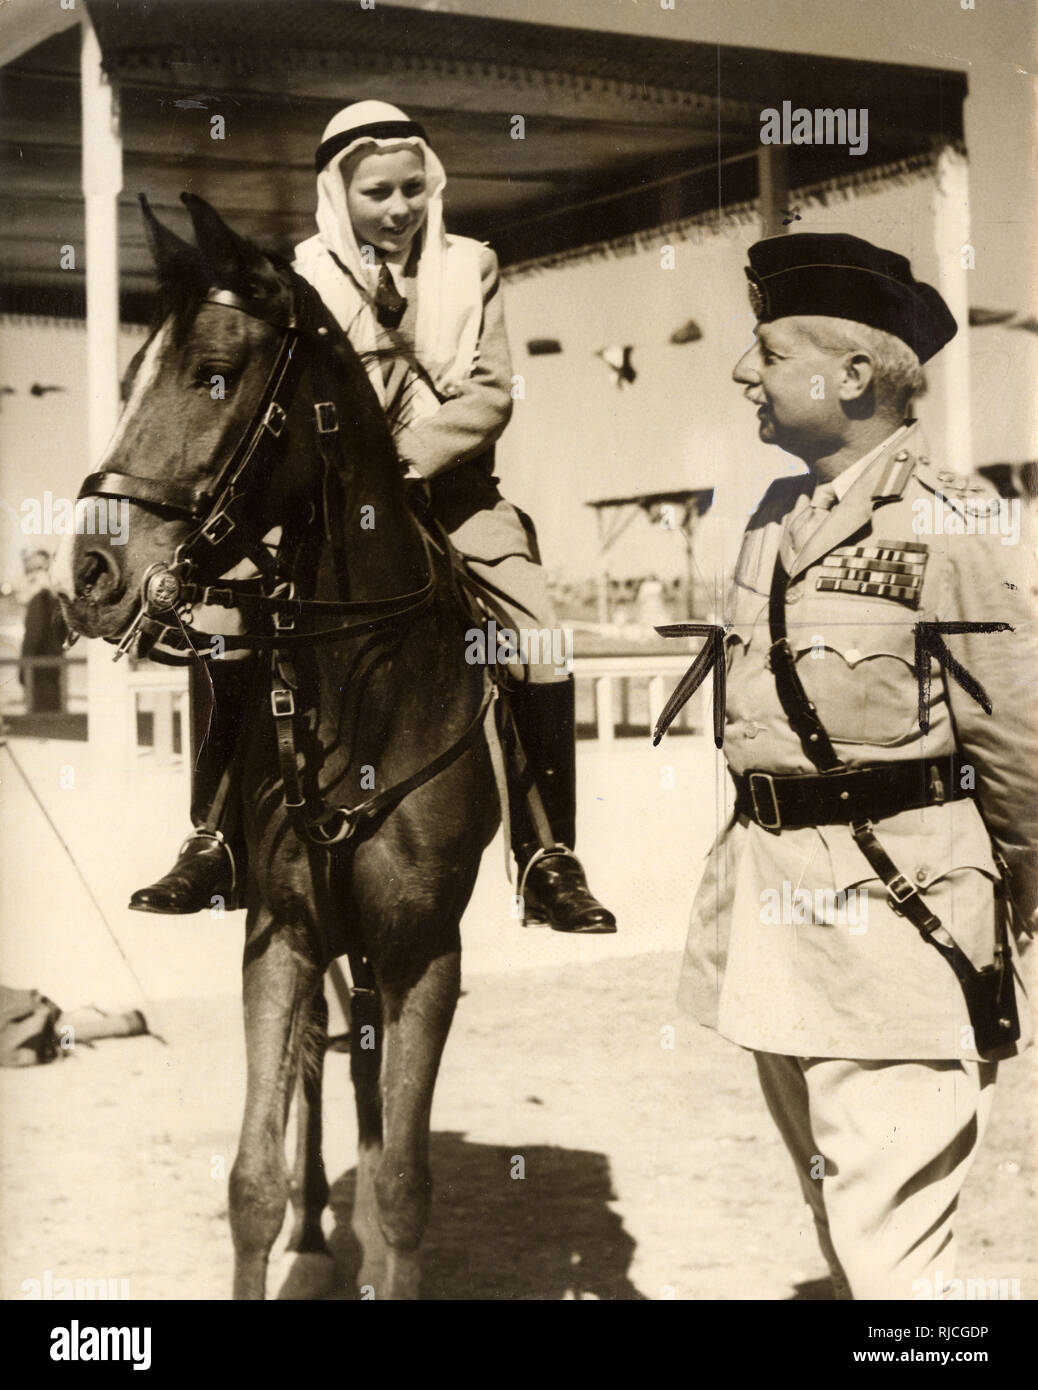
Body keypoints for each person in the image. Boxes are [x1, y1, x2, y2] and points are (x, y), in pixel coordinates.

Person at [130, 100, 615, 935]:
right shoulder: (299, 276)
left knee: (537, 631)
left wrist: (404, 461)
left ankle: (546, 853)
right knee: (222, 617)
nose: (398, 209)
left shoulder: (473, 266)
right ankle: (216, 837)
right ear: (336, 195)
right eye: (377, 194)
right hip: (322, 498)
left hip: (451, 492)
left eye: (412, 189)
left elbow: (492, 390)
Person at [676, 232, 1037, 1299]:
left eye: (770, 350)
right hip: (779, 940)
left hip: (899, 929)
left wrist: (1006, 905)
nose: (745, 371)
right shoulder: (771, 521)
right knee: (847, 1235)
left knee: (894, 1265)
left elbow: (1019, 740)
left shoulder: (952, 516)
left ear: (856, 374)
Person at [19, 550, 65, 713]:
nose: (32, 573)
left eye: (39, 568)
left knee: (39, 718)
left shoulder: (40, 599)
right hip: (53, 671)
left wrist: (23, 671)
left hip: (39, 673)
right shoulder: (54, 599)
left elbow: (34, 637)